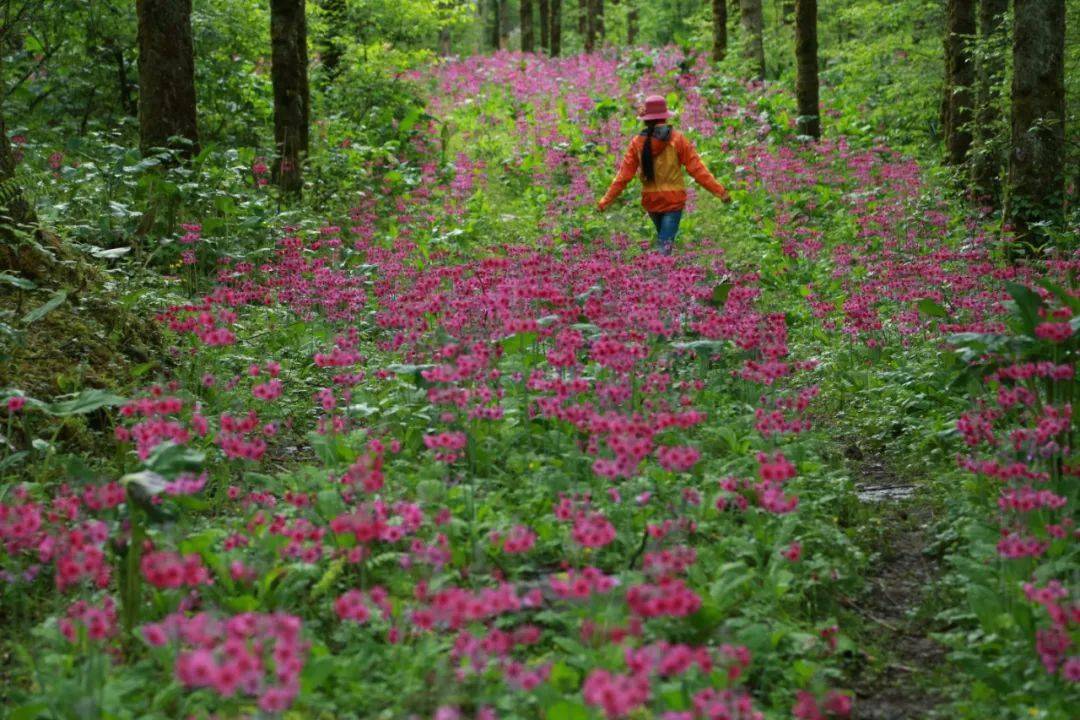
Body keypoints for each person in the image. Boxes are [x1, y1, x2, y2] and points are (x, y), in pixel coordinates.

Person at [596, 95, 732, 255]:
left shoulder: (637, 142)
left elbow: (623, 176)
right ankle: (657, 275)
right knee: (664, 248)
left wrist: (605, 201)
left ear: (646, 119)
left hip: (651, 201)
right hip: (673, 201)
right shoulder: (677, 139)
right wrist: (720, 191)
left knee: (665, 243)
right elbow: (697, 170)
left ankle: (662, 275)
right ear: (665, 116)